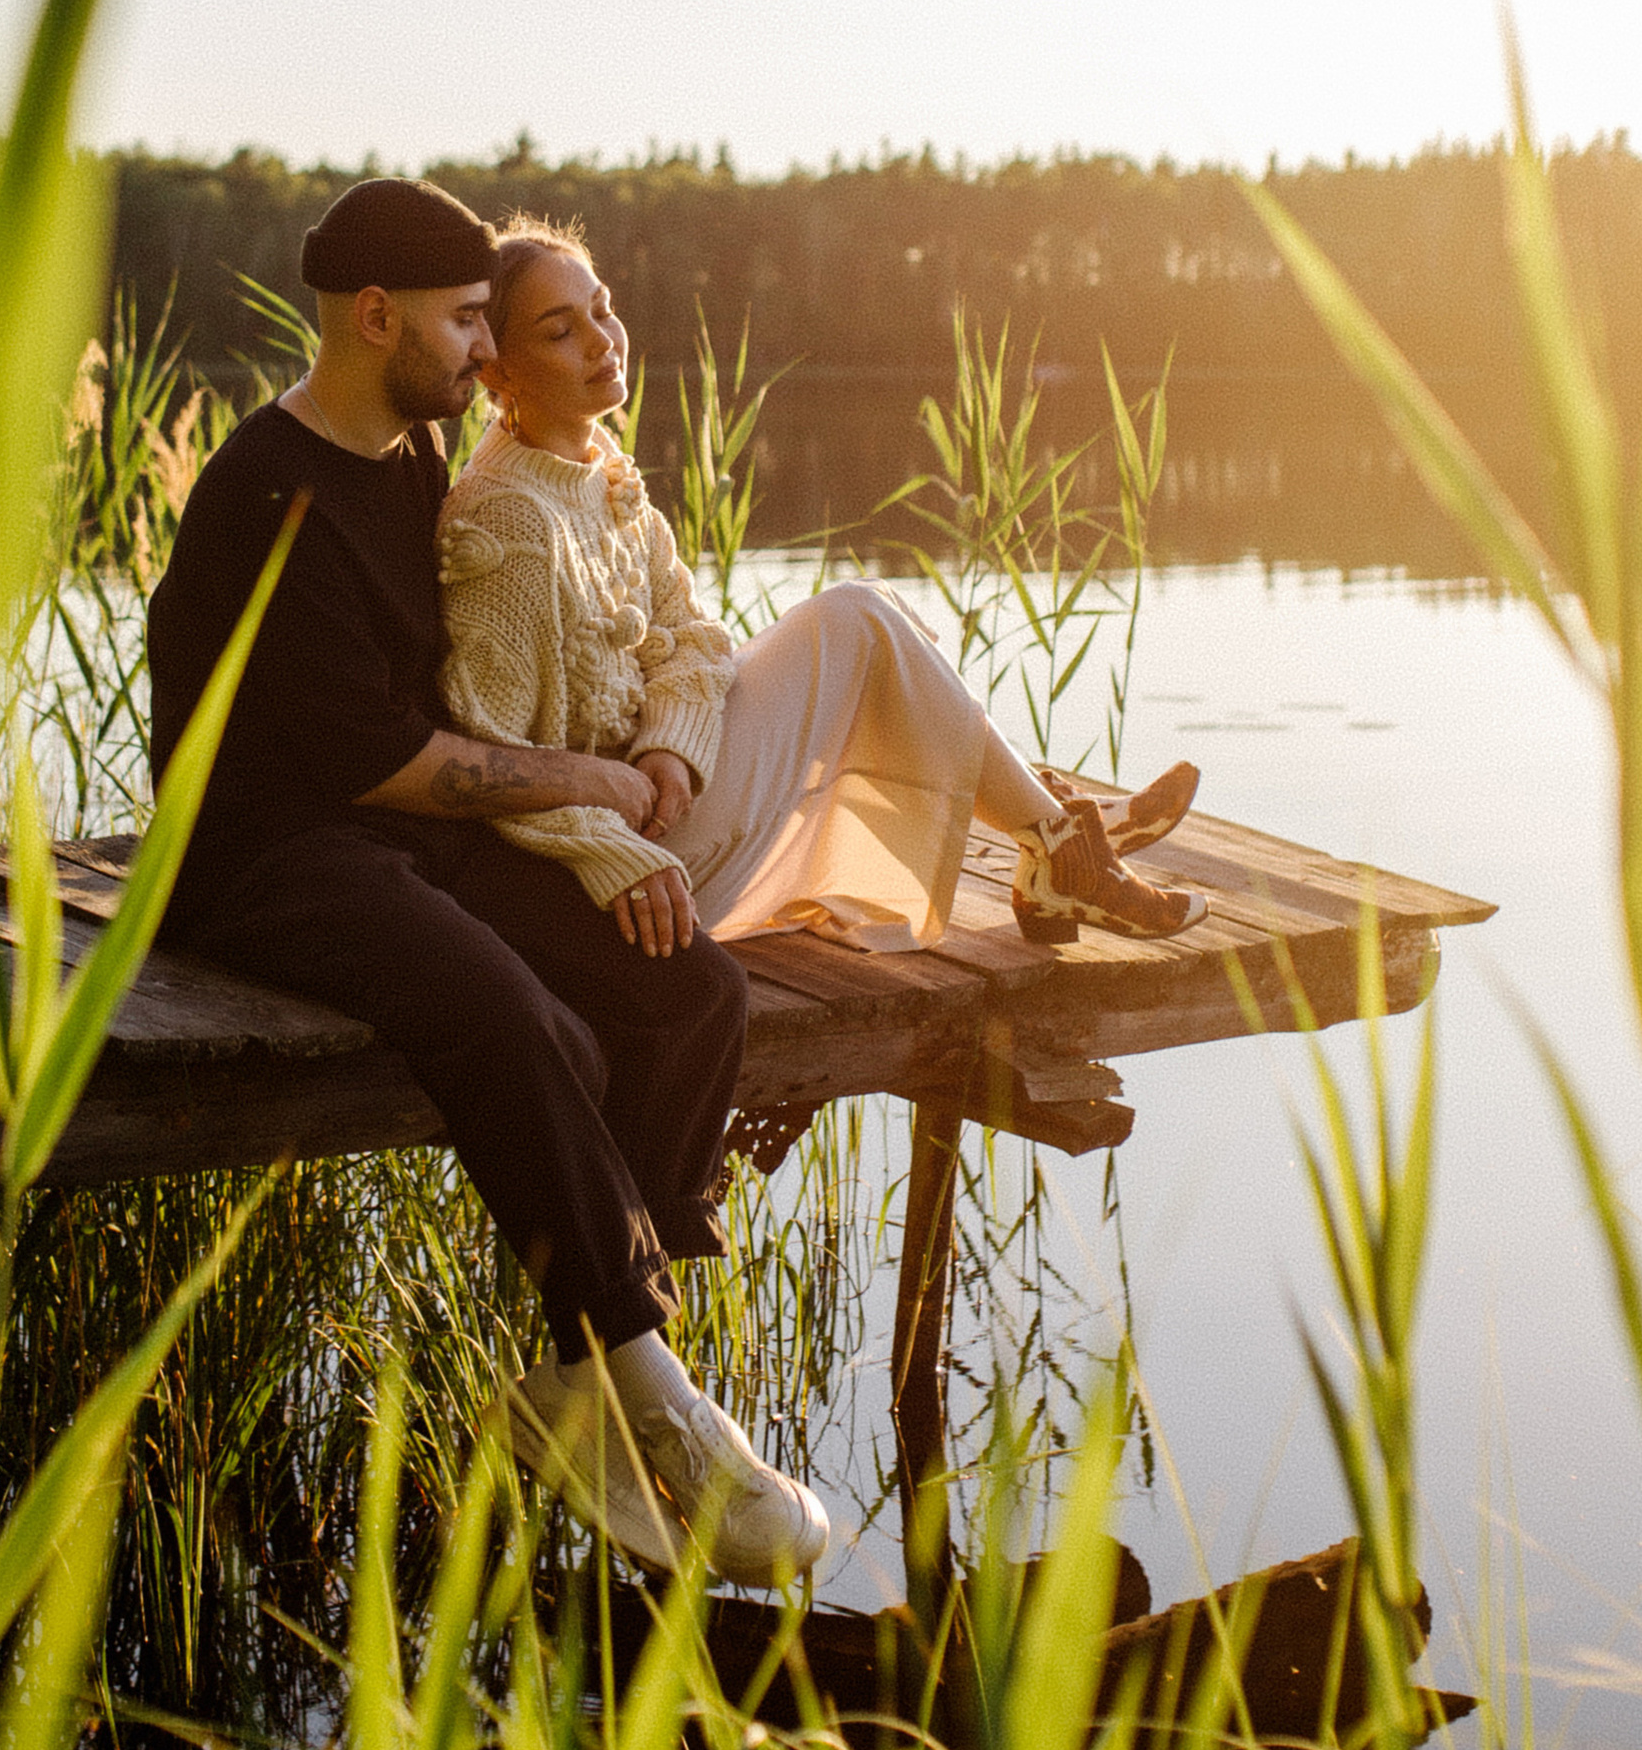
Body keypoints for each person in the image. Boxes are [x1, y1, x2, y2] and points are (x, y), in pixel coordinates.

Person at [144, 174, 829, 1585]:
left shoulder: (402, 460)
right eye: (467, 323)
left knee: (688, 988)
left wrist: (624, 836)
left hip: (398, 832)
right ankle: (635, 1380)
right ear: (376, 316)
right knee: (517, 1019)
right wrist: (606, 795)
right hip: (266, 857)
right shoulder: (266, 495)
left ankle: (590, 1373)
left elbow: (466, 716)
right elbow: (392, 761)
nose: (483, 351)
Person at [436, 222, 1206, 971]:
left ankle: (1056, 837)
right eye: (559, 331)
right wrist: (615, 855)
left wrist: (673, 745)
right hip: (634, 871)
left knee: (875, 615)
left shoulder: (595, 464)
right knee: (858, 621)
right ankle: (1059, 843)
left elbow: (692, 635)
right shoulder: (509, 519)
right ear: (497, 369)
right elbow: (493, 759)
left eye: (602, 309)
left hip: (664, 793)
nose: (603, 340)